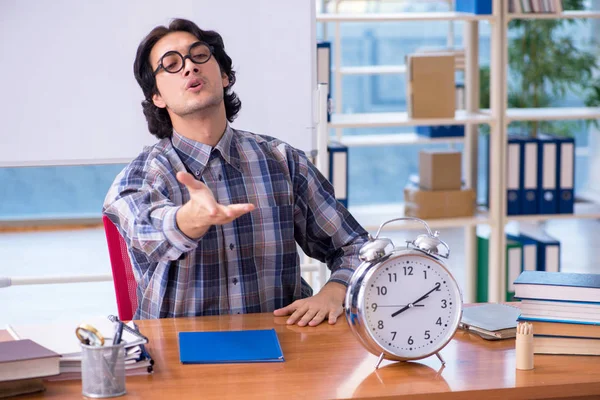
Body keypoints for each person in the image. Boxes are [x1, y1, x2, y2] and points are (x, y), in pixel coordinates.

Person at [103, 18, 369, 326]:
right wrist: (191, 218)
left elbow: (356, 247)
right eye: (171, 64)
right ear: (157, 97)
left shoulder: (283, 161)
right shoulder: (140, 177)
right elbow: (148, 235)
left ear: (226, 76)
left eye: (199, 55)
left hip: (282, 347)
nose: (189, 67)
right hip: (177, 355)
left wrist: (335, 291)